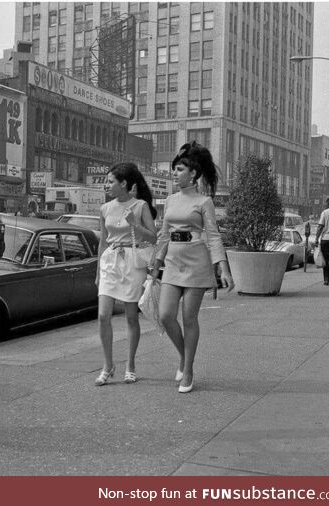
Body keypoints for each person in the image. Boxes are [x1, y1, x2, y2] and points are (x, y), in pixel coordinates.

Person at [151, 141, 234, 394]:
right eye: (174, 169)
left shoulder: (204, 201)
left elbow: (213, 236)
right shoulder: (170, 199)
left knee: (189, 318)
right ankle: (184, 357)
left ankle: (188, 370)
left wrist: (224, 268)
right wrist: (155, 262)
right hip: (173, 262)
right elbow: (164, 235)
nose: (174, 173)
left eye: (179, 169)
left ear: (193, 174)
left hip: (197, 262)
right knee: (165, 315)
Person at [95, 162, 157, 386]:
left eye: (111, 181)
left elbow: (153, 237)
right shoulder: (105, 208)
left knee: (131, 316)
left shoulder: (140, 206)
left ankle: (130, 365)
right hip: (110, 262)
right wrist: (97, 272)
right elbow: (103, 241)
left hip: (132, 262)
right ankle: (108, 365)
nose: (107, 185)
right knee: (103, 315)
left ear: (124, 184)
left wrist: (135, 225)